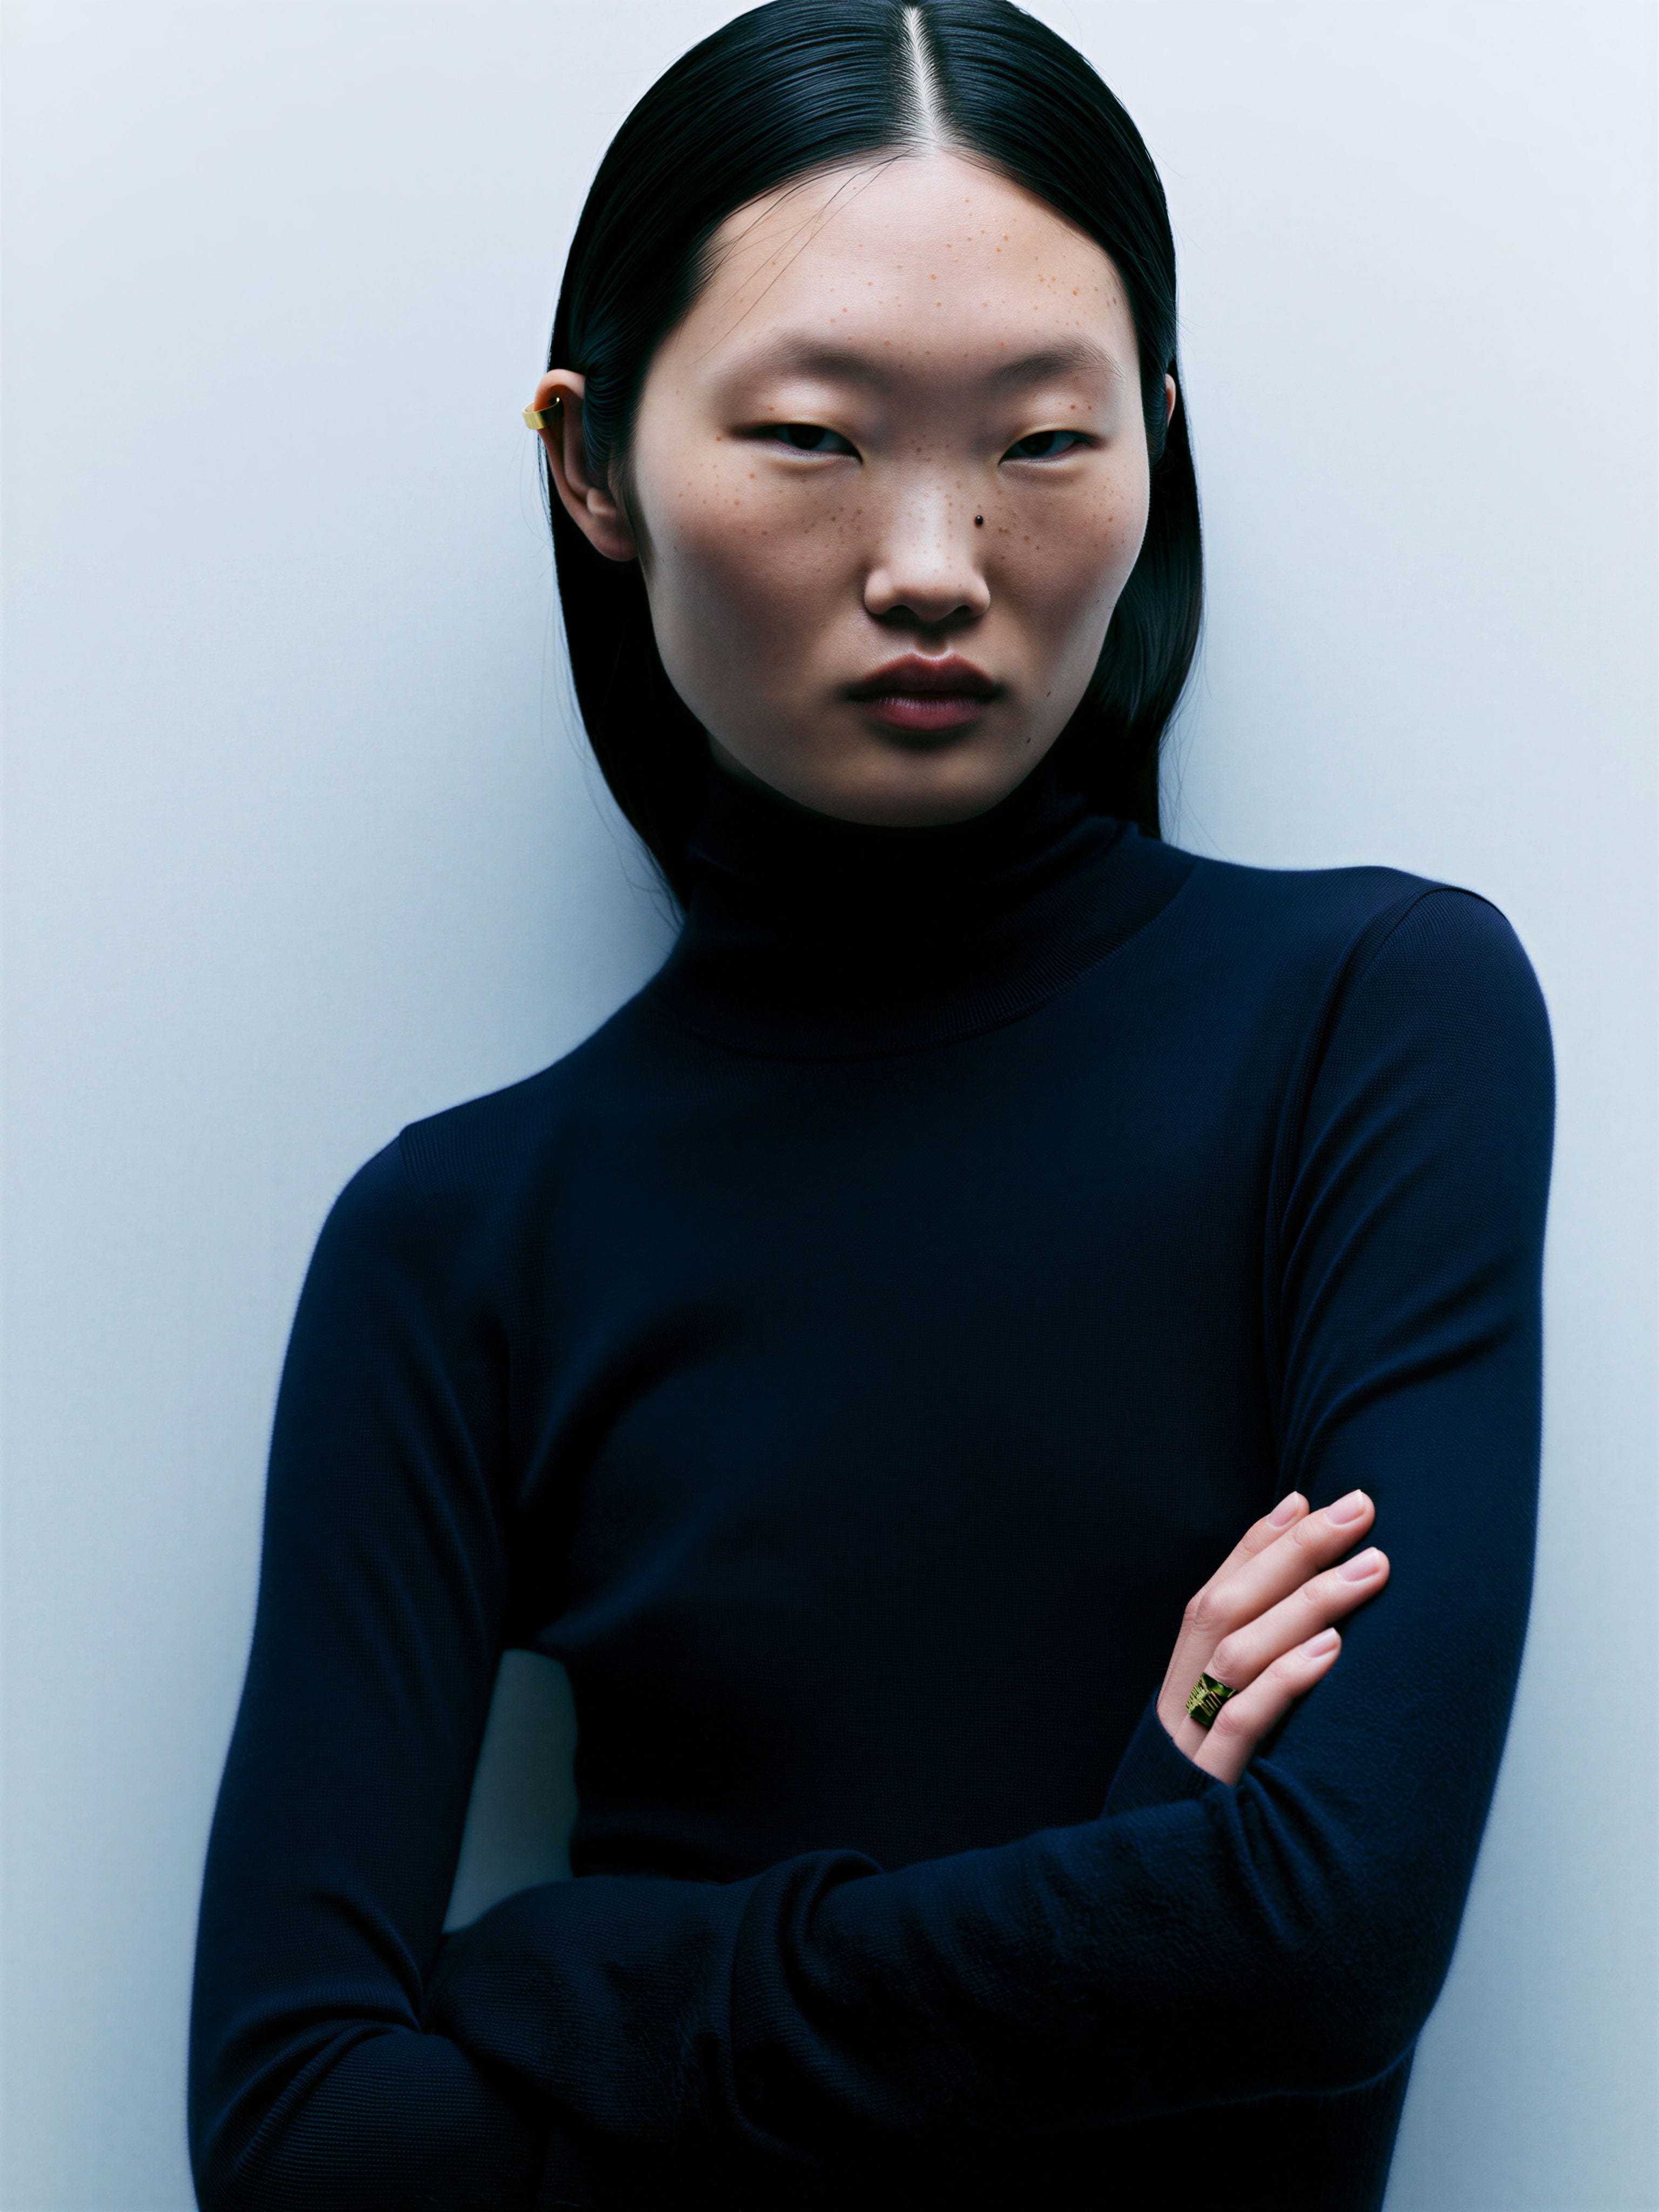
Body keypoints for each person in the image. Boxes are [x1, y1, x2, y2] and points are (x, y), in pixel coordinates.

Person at [187, 3, 1554, 2207]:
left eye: (1044, 438)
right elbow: (296, 2142)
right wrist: (1145, 1844)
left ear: (1158, 442)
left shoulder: (1372, 1022)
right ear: (592, 465)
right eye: (816, 437)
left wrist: (574, 1973)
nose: (934, 558)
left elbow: (1323, 1943)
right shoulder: (458, 1242)